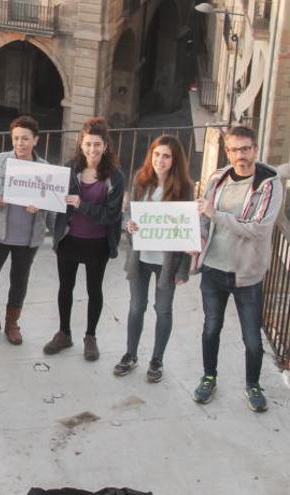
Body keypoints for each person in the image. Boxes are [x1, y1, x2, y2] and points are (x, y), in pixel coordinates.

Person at [192, 126, 283, 412]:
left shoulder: (269, 184)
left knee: (253, 339)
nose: (240, 155)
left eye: (245, 149)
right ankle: (209, 378)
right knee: (211, 329)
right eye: (233, 150)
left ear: (255, 149)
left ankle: (253, 385)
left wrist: (214, 214)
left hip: (246, 274)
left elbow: (257, 229)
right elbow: (205, 220)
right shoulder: (218, 179)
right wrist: (198, 238)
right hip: (213, 269)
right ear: (227, 151)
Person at [114, 135, 194, 382]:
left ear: (174, 160)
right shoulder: (141, 180)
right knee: (136, 306)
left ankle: (157, 359)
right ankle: (131, 354)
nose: (160, 160)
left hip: (167, 261)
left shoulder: (184, 188)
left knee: (164, 310)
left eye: (166, 156)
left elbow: (187, 228)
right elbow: (129, 212)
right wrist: (129, 223)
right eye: (156, 154)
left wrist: (183, 269)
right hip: (141, 256)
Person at [44, 117, 125, 361]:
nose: (92, 149)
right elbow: (54, 198)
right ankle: (64, 333)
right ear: (81, 144)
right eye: (88, 144)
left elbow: (110, 215)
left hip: (97, 242)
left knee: (94, 290)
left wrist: (82, 205)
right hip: (70, 239)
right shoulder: (70, 169)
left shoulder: (115, 177)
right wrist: (38, 203)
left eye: (97, 144)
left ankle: (90, 336)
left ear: (106, 146)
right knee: (65, 287)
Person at [0, 116, 50, 345]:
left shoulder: (45, 169)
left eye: (25, 138)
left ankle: (11, 324)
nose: (20, 143)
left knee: (19, 281)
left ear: (35, 140)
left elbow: (53, 202)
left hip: (27, 238)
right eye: (16, 138)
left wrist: (41, 205)